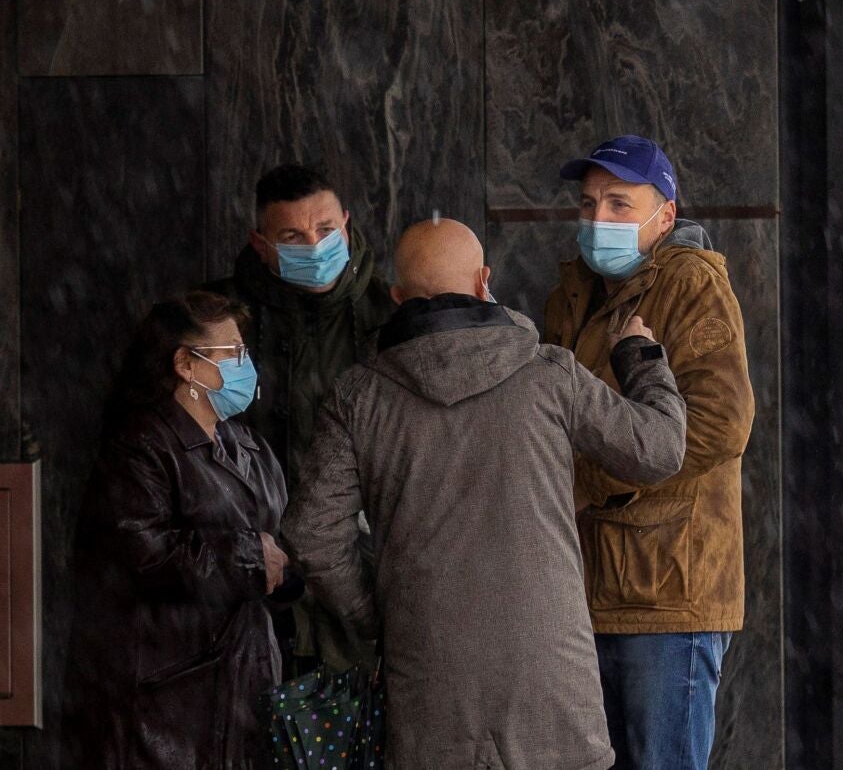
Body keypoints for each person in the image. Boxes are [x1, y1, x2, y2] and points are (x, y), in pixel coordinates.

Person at [284, 218, 688, 769]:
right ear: (483, 282)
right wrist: (639, 356)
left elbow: (311, 535)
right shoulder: (550, 375)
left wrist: (379, 615)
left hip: (430, 683)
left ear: (398, 297)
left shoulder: (359, 396)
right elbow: (658, 450)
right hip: (552, 680)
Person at [545, 135, 756, 770]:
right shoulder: (573, 293)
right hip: (586, 588)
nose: (598, 219)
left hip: (667, 588)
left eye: (619, 204)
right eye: (588, 204)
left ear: (665, 217)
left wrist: (590, 480)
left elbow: (720, 423)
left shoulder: (690, 283)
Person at [70, 291, 299, 768]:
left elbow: (282, 538)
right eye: (232, 352)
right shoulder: (140, 447)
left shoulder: (249, 446)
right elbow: (145, 555)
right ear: (186, 365)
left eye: (244, 352)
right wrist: (251, 559)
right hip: (170, 701)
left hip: (245, 686)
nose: (245, 365)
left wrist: (290, 569)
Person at [203, 162, 394, 671]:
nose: (314, 246)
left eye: (326, 229)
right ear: (261, 243)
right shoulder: (218, 319)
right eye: (292, 236)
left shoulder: (391, 314)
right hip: (246, 576)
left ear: (346, 223)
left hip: (360, 575)